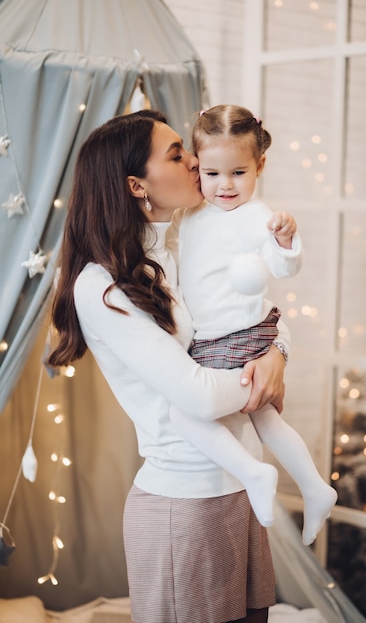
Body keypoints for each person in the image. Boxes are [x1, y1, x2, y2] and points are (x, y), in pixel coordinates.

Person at [47, 109, 290, 623]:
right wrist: (260, 377)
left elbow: (256, 316)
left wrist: (276, 354)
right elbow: (197, 395)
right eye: (178, 154)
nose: (198, 161)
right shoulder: (102, 287)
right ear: (137, 184)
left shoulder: (180, 246)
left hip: (240, 486)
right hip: (186, 499)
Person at [168, 104, 337, 544]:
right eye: (212, 174)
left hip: (232, 336)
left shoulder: (256, 216)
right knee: (266, 421)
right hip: (226, 336)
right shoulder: (190, 215)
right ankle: (316, 488)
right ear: (196, 169)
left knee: (183, 414)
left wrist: (284, 242)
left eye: (238, 173)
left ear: (259, 166)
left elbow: (284, 269)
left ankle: (253, 474)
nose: (225, 185)